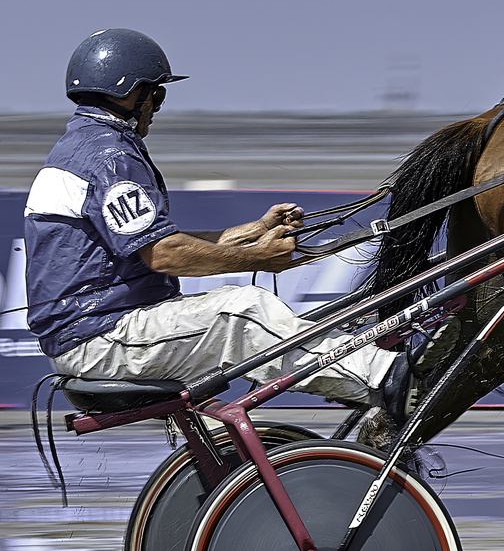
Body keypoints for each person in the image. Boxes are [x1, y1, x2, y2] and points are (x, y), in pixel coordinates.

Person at [23, 28, 409, 424]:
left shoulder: (84, 145)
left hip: (95, 335)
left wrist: (254, 231)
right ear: (130, 93)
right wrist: (256, 257)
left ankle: (231, 473)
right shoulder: (108, 156)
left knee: (222, 420)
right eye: (156, 93)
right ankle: (387, 377)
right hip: (102, 339)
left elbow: (158, 241)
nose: (157, 105)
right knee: (240, 311)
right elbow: (164, 253)